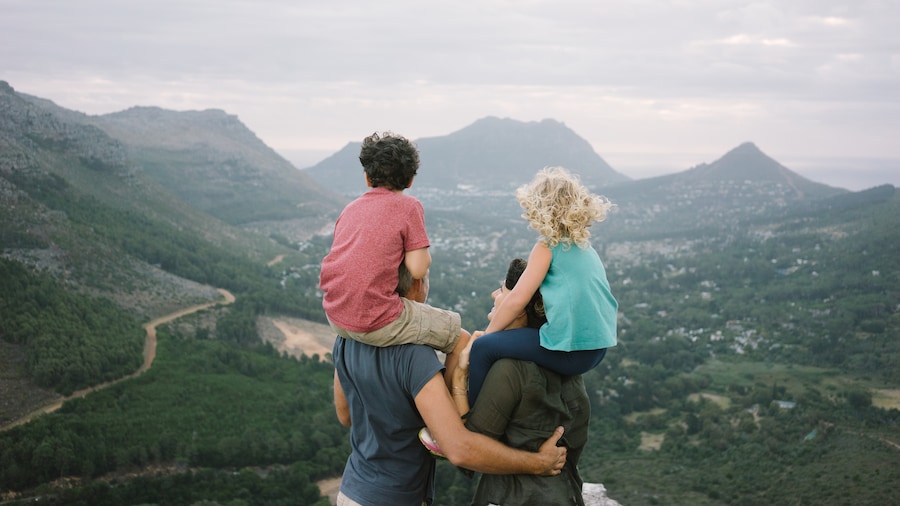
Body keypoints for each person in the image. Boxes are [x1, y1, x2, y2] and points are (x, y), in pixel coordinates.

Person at [332, 264, 569, 506]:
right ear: (417, 284)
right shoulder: (416, 357)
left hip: (351, 491)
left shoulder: (346, 338)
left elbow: (345, 415)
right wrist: (539, 463)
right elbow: (458, 449)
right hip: (397, 497)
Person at [465, 166, 618, 405]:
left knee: (483, 349)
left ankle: (471, 422)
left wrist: (486, 335)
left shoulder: (547, 247)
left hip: (573, 353)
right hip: (597, 349)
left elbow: (517, 299)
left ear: (540, 209)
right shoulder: (585, 247)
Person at [452, 258, 591, 505]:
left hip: (514, 497)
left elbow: (469, 453)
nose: (495, 294)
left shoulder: (510, 370)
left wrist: (459, 380)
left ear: (519, 307)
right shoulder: (571, 367)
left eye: (503, 290)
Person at [319, 131, 463, 356]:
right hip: (376, 322)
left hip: (336, 317)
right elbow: (418, 268)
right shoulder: (409, 206)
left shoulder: (350, 208)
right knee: (461, 339)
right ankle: (452, 391)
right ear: (410, 180)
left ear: (367, 177)